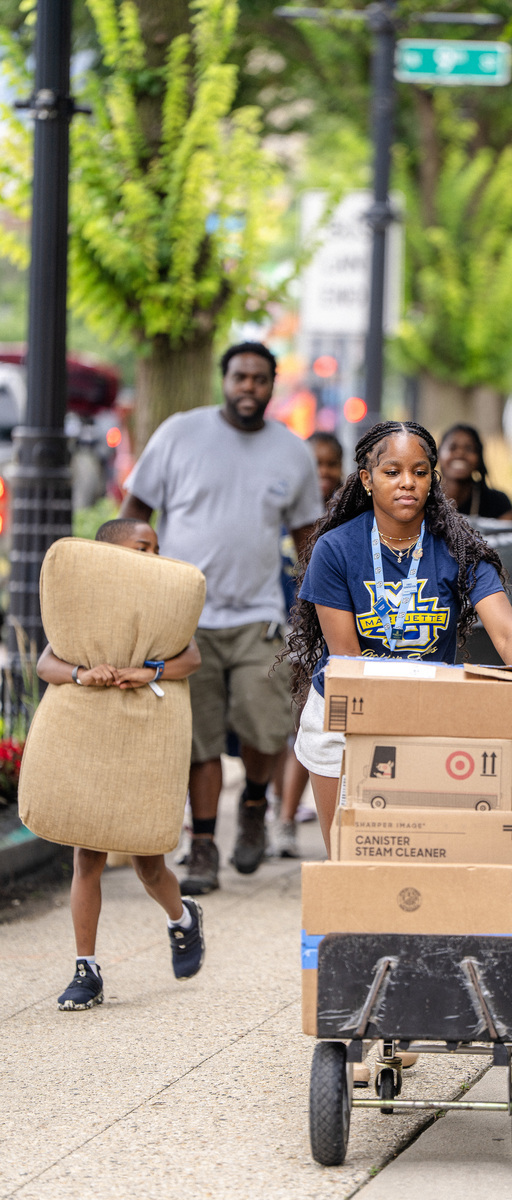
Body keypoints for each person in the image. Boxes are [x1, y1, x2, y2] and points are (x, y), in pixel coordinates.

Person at [287, 420, 512, 857]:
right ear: (367, 479)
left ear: (433, 479)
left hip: (430, 718)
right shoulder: (336, 549)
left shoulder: (459, 547)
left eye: (419, 471)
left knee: (421, 861)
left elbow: (508, 631)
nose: (406, 483)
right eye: (392, 472)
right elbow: (347, 659)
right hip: (345, 720)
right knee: (349, 860)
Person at [120, 343, 323, 894]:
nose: (249, 387)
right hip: (187, 618)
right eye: (240, 377)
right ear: (224, 379)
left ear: (272, 385)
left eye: (260, 379)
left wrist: (318, 608)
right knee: (199, 740)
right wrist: (135, 574)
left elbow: (306, 537)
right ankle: (204, 845)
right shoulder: (180, 434)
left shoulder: (292, 452)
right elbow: (134, 508)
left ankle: (255, 804)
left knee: (265, 728)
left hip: (260, 616)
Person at [37, 519, 204, 1011]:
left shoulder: (162, 607)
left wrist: (146, 670)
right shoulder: (86, 608)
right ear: (107, 555)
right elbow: (47, 663)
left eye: (155, 548)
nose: (152, 556)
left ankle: (181, 918)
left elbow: (190, 658)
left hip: (145, 733)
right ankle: (85, 969)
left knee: (148, 861)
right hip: (93, 730)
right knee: (87, 855)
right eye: (141, 547)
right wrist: (82, 674)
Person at [272, 432, 345, 858]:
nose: (323, 473)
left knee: (306, 719)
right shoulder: (285, 515)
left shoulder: (346, 518)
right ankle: (282, 816)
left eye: (330, 464)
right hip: (286, 628)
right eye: (314, 464)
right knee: (288, 728)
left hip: (327, 635)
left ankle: (286, 818)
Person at [438, 424, 512, 520]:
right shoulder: (425, 499)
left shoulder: (498, 503)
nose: (460, 454)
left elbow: (508, 533)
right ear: (438, 455)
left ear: (479, 458)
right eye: (453, 448)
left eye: (469, 449)